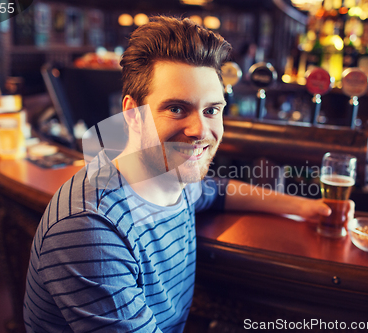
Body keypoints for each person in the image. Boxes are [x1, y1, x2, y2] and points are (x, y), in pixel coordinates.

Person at [24, 16, 350, 333]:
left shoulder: (169, 181)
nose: (200, 130)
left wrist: (306, 207)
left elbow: (217, 191)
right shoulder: (91, 230)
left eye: (211, 110)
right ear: (132, 115)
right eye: (176, 109)